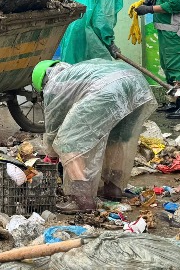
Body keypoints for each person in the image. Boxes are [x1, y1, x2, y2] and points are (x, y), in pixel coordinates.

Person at [32, 59, 155, 213]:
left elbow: (53, 130)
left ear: (40, 84)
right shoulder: (76, 72)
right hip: (137, 84)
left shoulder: (53, 86)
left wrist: (51, 155)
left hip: (108, 88)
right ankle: (113, 187)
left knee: (66, 142)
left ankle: (81, 199)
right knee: (116, 137)